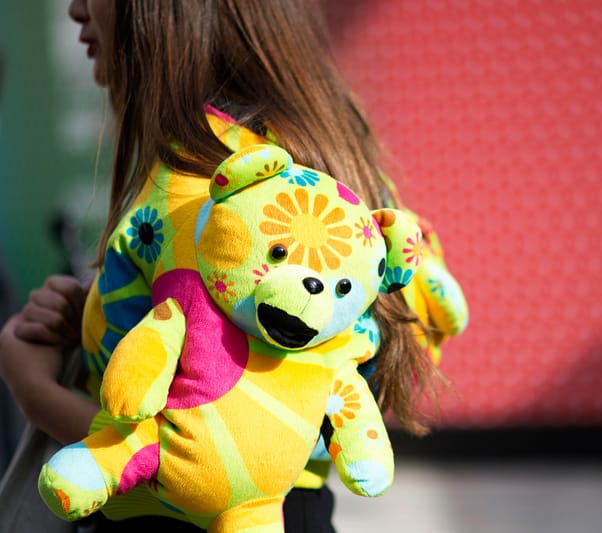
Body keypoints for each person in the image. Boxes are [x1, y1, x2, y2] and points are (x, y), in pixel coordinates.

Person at [0, 0, 466, 531]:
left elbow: (205, 459)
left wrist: (31, 387)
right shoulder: (323, 143)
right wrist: (89, 310)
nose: (76, 8)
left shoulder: (208, 188)